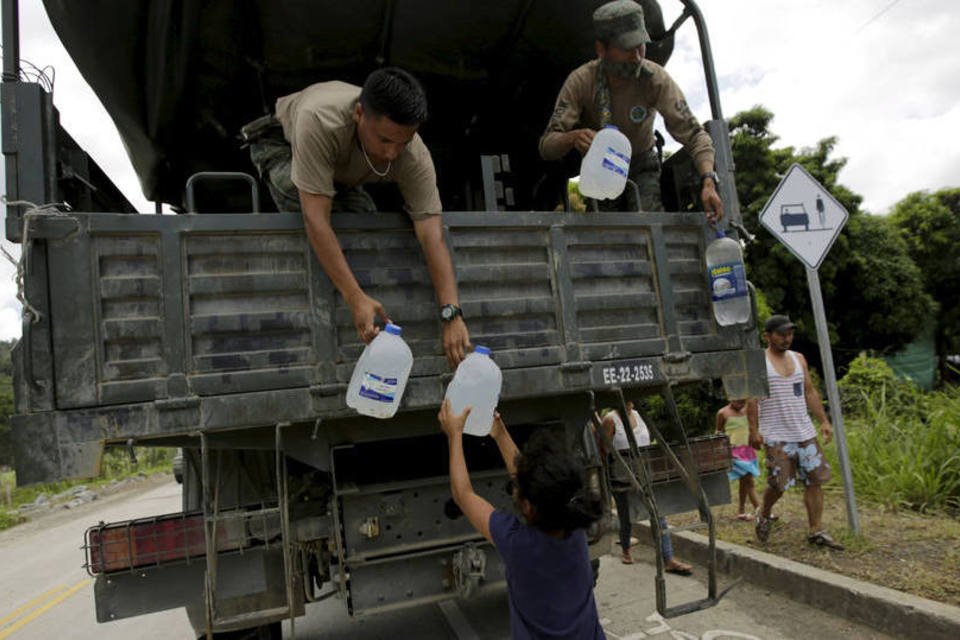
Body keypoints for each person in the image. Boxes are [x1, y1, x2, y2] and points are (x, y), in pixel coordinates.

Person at [242, 68, 470, 367]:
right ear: (360, 113)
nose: (392, 154)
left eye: (403, 142)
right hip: (284, 145)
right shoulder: (320, 120)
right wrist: (354, 297)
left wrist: (451, 313)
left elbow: (431, 234)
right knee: (309, 203)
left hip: (340, 171)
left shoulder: (412, 153)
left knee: (364, 223)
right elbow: (316, 220)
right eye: (386, 140)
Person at [539, 0, 723, 221]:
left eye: (640, 45)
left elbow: (694, 135)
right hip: (601, 166)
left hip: (643, 163)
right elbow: (547, 145)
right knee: (601, 233)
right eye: (627, 48)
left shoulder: (655, 78)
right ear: (601, 49)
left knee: (650, 224)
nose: (637, 56)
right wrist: (571, 137)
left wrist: (708, 179)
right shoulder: (581, 81)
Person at [439, 401, 606, 639]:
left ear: (527, 506)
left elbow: (463, 494)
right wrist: (500, 433)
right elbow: (532, 479)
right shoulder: (574, 528)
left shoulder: (518, 543)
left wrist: (454, 435)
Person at [748, 315, 844, 550]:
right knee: (778, 484)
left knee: (815, 481)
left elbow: (809, 392)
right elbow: (752, 399)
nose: (786, 338)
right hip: (775, 435)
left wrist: (824, 421)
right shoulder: (758, 362)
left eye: (790, 334)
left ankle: (816, 530)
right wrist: (754, 430)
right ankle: (765, 513)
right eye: (781, 334)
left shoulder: (798, 358)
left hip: (804, 432)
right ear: (767, 336)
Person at [599, 407, 692, 574]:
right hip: (621, 476)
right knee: (625, 514)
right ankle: (626, 549)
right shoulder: (610, 419)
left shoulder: (638, 414)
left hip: (645, 473)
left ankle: (668, 558)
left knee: (658, 513)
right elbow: (604, 451)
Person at [716, 398, 761, 521]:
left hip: (748, 451)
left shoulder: (748, 411)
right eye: (737, 401)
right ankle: (762, 511)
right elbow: (718, 432)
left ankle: (741, 511)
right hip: (734, 453)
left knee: (744, 482)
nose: (739, 404)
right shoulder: (723, 413)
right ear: (730, 397)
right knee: (749, 480)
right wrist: (722, 449)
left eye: (742, 402)